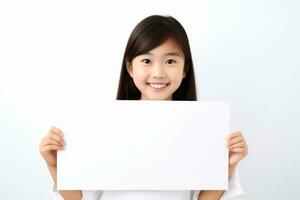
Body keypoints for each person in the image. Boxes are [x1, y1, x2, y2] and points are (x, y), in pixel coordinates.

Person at [39, 15, 248, 200]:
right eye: (147, 60)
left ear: (185, 69)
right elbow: (83, 198)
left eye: (170, 61)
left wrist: (227, 165)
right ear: (130, 67)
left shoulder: (202, 127)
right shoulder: (105, 123)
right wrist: (55, 164)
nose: (158, 72)